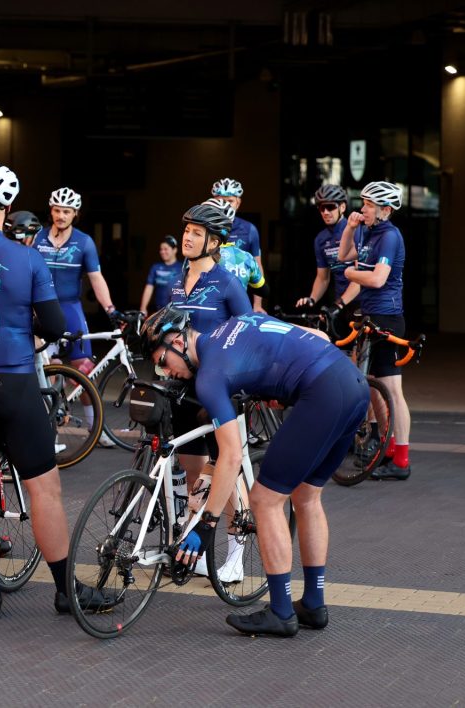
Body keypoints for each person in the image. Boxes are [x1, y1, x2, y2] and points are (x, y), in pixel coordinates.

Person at [0, 162, 113, 618]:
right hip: (13, 379)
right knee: (44, 490)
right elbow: (54, 326)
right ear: (8, 207)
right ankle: (66, 592)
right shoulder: (28, 257)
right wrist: (19, 333)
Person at [141, 305, 369, 637]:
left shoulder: (210, 376)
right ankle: (314, 605)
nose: (165, 373)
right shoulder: (237, 323)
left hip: (323, 394)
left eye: (162, 363)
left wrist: (207, 524)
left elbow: (231, 456)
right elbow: (318, 336)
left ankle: (280, 612)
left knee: (263, 500)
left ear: (177, 340)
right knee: (306, 497)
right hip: (353, 384)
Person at [168, 202, 253, 577]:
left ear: (214, 242)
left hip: (218, 388)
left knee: (226, 473)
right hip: (181, 388)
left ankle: (236, 553)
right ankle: (197, 550)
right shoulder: (176, 277)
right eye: (186, 230)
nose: (187, 236)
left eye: (196, 233)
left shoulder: (226, 282)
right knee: (193, 471)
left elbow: (249, 334)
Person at [31, 186, 122, 447]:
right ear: (51, 211)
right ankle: (50, 431)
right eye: (57, 210)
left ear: (75, 214)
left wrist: (110, 310)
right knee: (44, 372)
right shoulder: (36, 238)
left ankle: (97, 429)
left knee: (84, 370)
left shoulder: (84, 242)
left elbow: (96, 278)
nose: (61, 215)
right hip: (39, 308)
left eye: (66, 211)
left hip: (71, 309)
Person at [337, 181, 412, 481]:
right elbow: (344, 255)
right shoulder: (368, 231)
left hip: (388, 316)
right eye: (363, 203)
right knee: (372, 388)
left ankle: (402, 460)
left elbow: (379, 279)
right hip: (371, 314)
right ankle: (389, 448)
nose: (362, 208)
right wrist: (348, 228)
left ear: (385, 210)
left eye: (368, 205)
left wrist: (349, 274)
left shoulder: (390, 236)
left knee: (392, 390)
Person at [296, 185, 354, 314]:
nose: (326, 212)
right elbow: (323, 278)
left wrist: (339, 304)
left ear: (342, 207)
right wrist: (312, 299)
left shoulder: (356, 230)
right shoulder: (320, 239)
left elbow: (362, 275)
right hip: (339, 305)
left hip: (361, 302)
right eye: (322, 208)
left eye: (331, 207)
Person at [202, 197, 268, 311]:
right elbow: (264, 290)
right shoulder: (246, 257)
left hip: (209, 316)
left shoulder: (198, 256)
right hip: (240, 317)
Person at [138, 235, 181, 315]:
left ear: (174, 250)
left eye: (166, 249)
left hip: (176, 312)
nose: (162, 252)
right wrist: (143, 308)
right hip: (158, 311)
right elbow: (149, 287)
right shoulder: (156, 267)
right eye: (161, 249)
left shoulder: (182, 268)